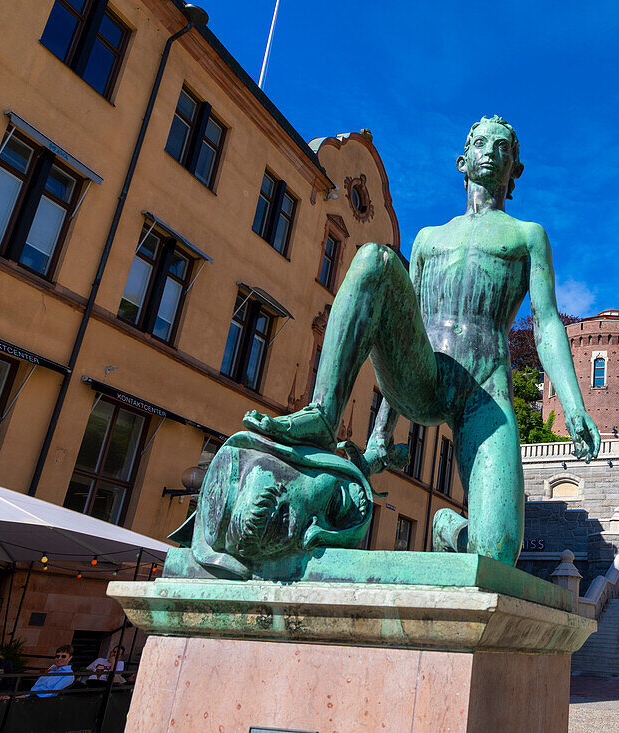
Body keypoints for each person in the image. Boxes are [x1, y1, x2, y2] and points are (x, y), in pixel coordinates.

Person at [241, 116, 600, 566]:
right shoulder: (429, 240)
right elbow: (394, 330)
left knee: (498, 554)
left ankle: (448, 527)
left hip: (484, 391)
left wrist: (573, 405)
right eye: (482, 143)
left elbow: (546, 324)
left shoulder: (527, 235)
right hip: (424, 373)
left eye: (504, 147)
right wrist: (379, 437)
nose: (492, 151)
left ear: (515, 170)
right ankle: (323, 413)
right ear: (462, 162)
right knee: (374, 258)